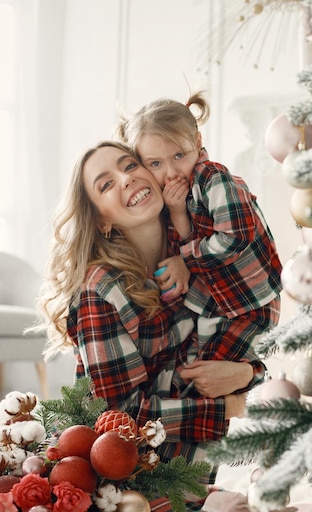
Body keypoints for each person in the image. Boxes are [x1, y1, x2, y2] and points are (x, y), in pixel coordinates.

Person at [35, 140, 258, 512]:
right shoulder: (99, 293)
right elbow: (121, 422)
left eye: (130, 164)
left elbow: (247, 326)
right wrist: (229, 407)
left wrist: (246, 371)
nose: (127, 178)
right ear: (102, 221)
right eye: (106, 184)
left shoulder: (196, 252)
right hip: (127, 493)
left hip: (192, 475)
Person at [118, 92, 282, 386]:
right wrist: (178, 212)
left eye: (178, 156)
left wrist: (185, 259)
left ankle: (245, 393)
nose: (170, 172)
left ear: (197, 141)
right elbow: (192, 237)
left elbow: (235, 237)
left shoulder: (213, 178)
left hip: (250, 303)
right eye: (155, 164)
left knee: (206, 376)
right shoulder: (172, 198)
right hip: (217, 305)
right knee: (197, 373)